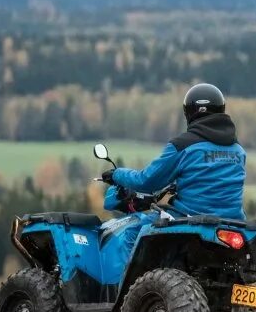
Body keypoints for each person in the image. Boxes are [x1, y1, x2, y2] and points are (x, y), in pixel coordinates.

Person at [100, 83, 247, 265]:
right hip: (233, 223)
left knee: (131, 232)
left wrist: (117, 174)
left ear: (189, 113)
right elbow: (212, 180)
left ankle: (127, 292)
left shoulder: (183, 146)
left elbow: (146, 181)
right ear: (221, 110)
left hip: (188, 218)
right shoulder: (238, 150)